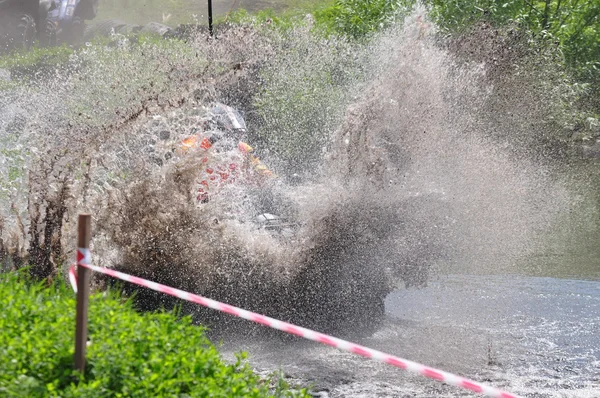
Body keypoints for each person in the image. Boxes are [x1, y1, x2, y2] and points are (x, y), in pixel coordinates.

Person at [177, 103, 274, 204]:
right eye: (228, 134)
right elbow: (178, 170)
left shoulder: (243, 149)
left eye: (236, 136)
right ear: (213, 128)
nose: (232, 140)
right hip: (189, 201)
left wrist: (274, 182)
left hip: (222, 202)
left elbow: (260, 169)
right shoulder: (193, 143)